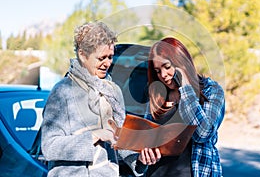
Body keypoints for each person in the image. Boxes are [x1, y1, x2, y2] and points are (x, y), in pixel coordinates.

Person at [41, 21, 152, 177]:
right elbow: (49, 147)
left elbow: (120, 141)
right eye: (101, 58)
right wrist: (96, 135)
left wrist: (139, 159)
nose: (107, 63)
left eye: (110, 57)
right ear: (82, 54)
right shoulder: (62, 91)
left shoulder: (114, 91)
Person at [139, 37, 225, 177]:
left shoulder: (212, 91)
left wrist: (185, 88)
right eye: (158, 71)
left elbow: (202, 134)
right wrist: (143, 154)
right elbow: (146, 139)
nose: (163, 75)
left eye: (167, 67)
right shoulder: (156, 95)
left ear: (182, 62)